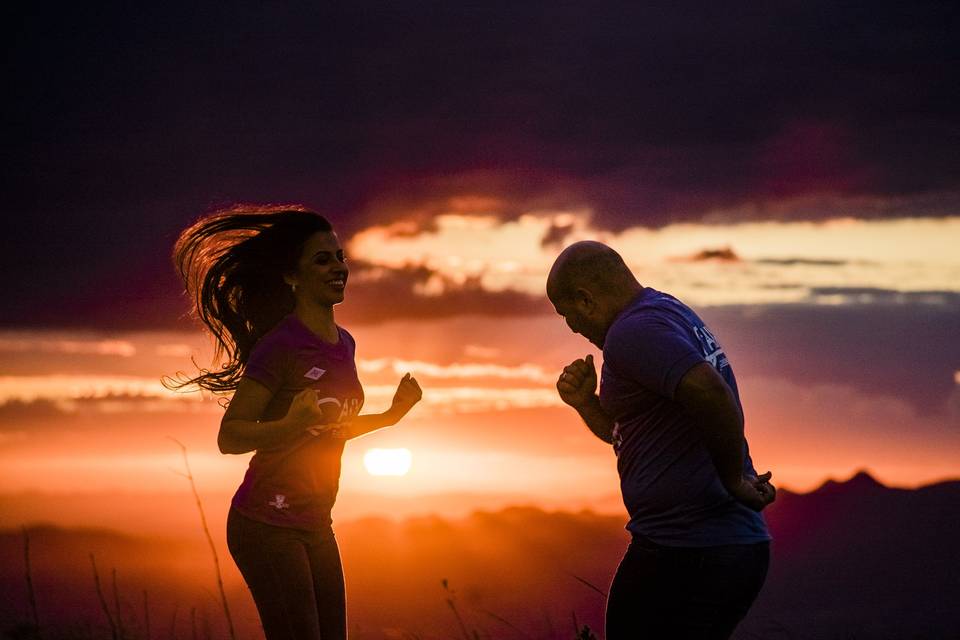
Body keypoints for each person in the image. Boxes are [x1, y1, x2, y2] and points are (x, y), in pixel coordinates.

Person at [168, 205, 422, 640]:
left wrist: (391, 417)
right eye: (322, 259)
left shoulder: (344, 344)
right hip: (265, 524)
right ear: (292, 276)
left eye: (340, 257)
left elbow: (331, 428)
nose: (338, 268)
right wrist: (289, 423)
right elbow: (230, 436)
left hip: (315, 522)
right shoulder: (280, 347)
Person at [546, 240, 775, 640]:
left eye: (568, 314)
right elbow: (632, 435)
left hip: (694, 547)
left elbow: (711, 393)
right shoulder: (663, 313)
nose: (572, 328)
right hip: (700, 544)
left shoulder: (633, 332)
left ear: (585, 299)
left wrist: (733, 479)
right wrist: (586, 405)